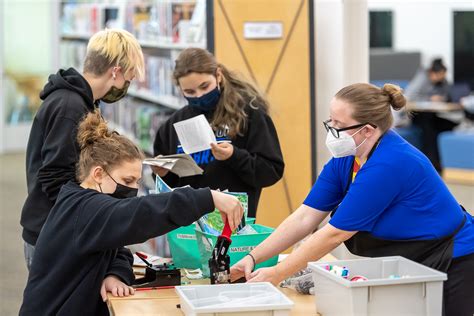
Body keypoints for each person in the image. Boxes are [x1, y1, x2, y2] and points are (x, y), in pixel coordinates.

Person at [230, 83, 474, 316]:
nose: (331, 131)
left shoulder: (389, 163)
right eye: (330, 121)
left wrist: (279, 272)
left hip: (456, 255)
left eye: (339, 124)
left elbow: (335, 234)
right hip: (411, 255)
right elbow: (305, 216)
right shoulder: (347, 157)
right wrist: (253, 257)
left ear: (367, 129)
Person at [19, 111, 243, 316]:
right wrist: (208, 198)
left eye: (136, 181)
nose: (133, 190)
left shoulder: (81, 201)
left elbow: (119, 249)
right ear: (98, 173)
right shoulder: (85, 210)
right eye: (127, 181)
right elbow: (141, 215)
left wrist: (114, 274)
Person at [20, 29, 145, 270]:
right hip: (54, 233)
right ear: (115, 72)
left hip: (60, 228)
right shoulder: (70, 107)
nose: (127, 84)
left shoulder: (84, 102)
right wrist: (94, 214)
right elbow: (56, 176)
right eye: (129, 77)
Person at [153, 48, 284, 218]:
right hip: (188, 226)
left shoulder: (249, 113)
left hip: (233, 224)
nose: (199, 95)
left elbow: (271, 171)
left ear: (218, 75)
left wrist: (234, 156)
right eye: (190, 92)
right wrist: (162, 173)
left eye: (204, 86)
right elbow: (167, 189)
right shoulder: (173, 124)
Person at [405, 58, 461, 171]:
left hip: (433, 114)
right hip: (417, 115)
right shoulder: (422, 78)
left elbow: (447, 94)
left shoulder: (442, 81)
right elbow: (409, 97)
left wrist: (442, 98)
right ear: (431, 73)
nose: (441, 78)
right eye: (439, 75)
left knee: (448, 125)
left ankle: (441, 161)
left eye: (443, 75)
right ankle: (431, 163)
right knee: (429, 130)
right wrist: (429, 98)